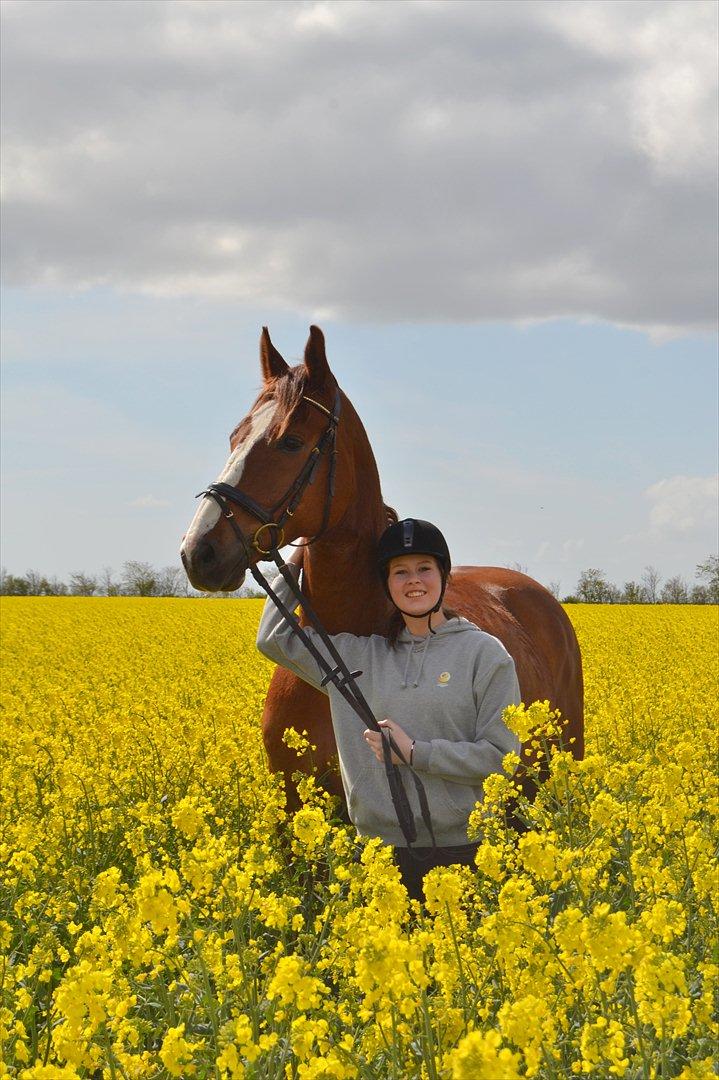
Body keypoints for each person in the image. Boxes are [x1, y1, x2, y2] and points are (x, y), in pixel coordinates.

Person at [256, 518, 521, 902]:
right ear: (387, 584)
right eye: (400, 572)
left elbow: (502, 758)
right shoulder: (360, 657)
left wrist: (416, 753)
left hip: (462, 850)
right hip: (377, 857)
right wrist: (302, 551)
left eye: (424, 569)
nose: (413, 581)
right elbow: (274, 638)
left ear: (444, 575)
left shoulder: (484, 654)